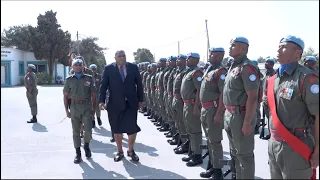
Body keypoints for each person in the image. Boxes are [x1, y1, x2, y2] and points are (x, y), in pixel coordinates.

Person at [265, 35, 319, 179]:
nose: (278, 49)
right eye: (279, 46)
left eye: (283, 47)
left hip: (297, 145)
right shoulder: (274, 79)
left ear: (297, 54)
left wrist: (318, 151)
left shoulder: (307, 78)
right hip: (274, 143)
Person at [223, 36, 260, 179]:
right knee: (235, 153)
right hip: (230, 115)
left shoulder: (247, 67)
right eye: (230, 45)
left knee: (244, 156)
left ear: (244, 49)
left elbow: (253, 97)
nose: (230, 47)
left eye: (234, 45)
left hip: (241, 116)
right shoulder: (233, 66)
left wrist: (247, 122)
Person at [99, 50, 143, 162]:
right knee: (116, 129)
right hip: (114, 104)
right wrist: (101, 101)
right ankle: (120, 151)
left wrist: (141, 100)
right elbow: (103, 86)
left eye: (124, 56)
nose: (122, 58)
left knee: (132, 128)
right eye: (120, 56)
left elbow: (139, 84)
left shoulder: (133, 67)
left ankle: (131, 150)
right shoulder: (108, 69)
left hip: (131, 103)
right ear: (115, 58)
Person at [199, 47, 227, 179]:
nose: (209, 55)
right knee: (210, 140)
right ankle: (212, 165)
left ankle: (218, 171)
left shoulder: (220, 72)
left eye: (212, 53)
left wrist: (219, 113)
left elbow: (223, 93)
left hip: (214, 110)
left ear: (219, 56)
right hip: (206, 109)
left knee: (215, 141)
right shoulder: (210, 69)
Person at [63, 58, 96, 164]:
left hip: (86, 106)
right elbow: (65, 96)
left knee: (88, 130)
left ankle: (86, 145)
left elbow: (93, 95)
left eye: (80, 65)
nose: (78, 66)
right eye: (75, 65)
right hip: (74, 107)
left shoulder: (89, 78)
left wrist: (93, 110)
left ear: (82, 66)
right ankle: (78, 153)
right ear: (73, 67)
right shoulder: (69, 80)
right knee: (76, 132)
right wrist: (67, 110)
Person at [180, 52, 203, 167]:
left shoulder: (196, 73)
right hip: (186, 104)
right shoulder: (189, 72)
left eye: (189, 58)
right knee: (190, 130)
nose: (187, 60)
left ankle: (197, 155)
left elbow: (199, 91)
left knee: (195, 132)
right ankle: (192, 151)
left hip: (193, 104)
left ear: (195, 60)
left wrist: (195, 107)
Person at [172, 54, 190, 154]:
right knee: (178, 121)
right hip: (176, 98)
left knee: (184, 124)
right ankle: (182, 141)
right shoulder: (179, 72)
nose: (177, 61)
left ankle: (186, 144)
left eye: (179, 59)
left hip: (184, 101)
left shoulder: (186, 72)